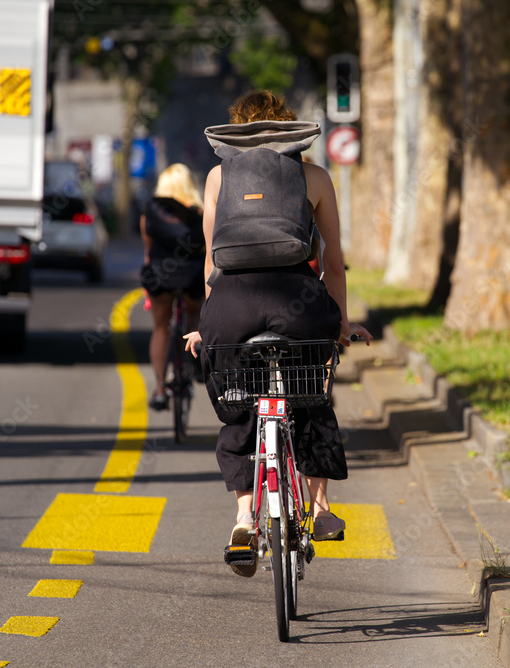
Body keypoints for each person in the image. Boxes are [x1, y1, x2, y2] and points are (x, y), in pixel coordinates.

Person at [184, 90, 372, 577]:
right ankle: (322, 506)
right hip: (300, 307)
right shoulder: (314, 176)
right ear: (291, 130)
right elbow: (332, 262)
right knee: (310, 395)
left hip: (231, 308)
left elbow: (212, 259)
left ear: (237, 131)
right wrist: (342, 324)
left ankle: (245, 516)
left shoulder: (218, 176)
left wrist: (209, 324)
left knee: (239, 403)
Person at [139, 163, 206, 411]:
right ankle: (195, 362)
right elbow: (205, 248)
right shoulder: (199, 212)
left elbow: (148, 250)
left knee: (160, 328)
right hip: (191, 275)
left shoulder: (150, 211)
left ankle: (159, 389)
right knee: (193, 315)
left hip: (160, 274)